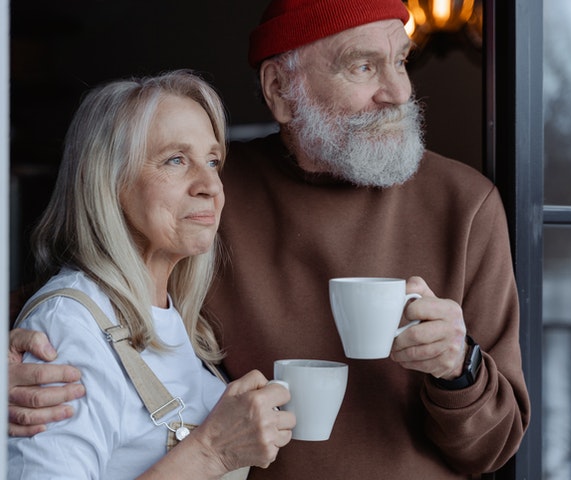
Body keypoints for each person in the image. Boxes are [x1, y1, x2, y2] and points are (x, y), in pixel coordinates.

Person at [9, 0, 531, 478]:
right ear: (281, 89)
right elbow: (82, 299)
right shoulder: (207, 199)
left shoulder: (465, 205)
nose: (398, 91)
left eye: (400, 62)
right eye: (364, 66)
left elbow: (492, 447)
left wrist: (458, 368)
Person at [7, 70, 294, 479]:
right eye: (176, 160)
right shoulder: (69, 330)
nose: (210, 184)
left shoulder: (173, 317)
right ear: (109, 181)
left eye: (213, 161)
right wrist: (211, 452)